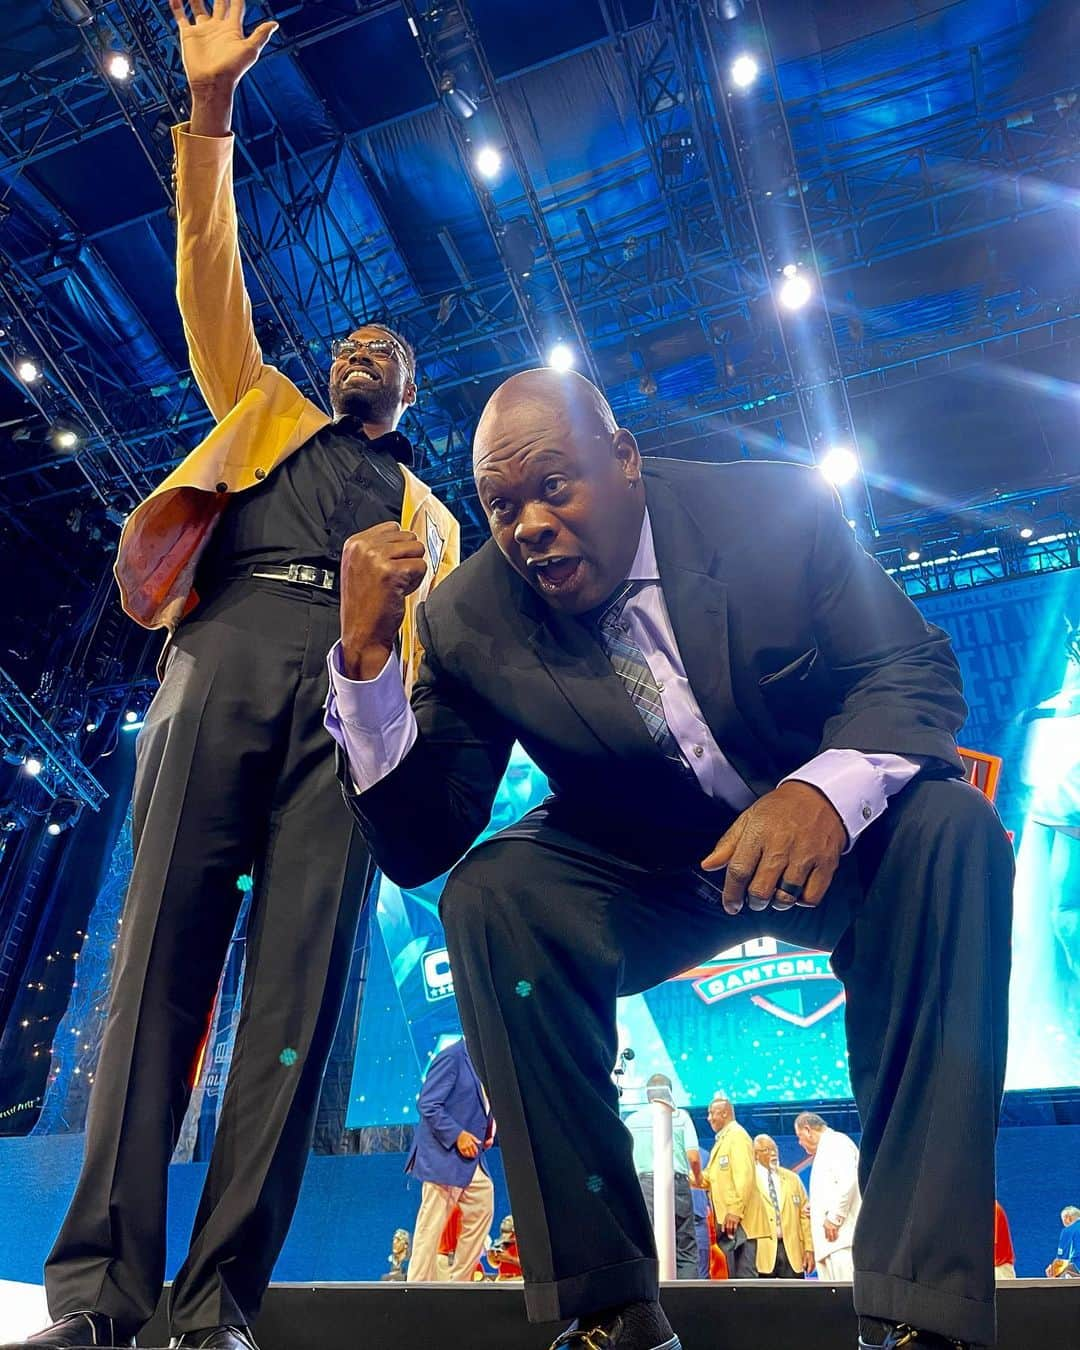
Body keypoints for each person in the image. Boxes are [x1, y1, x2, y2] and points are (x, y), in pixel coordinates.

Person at [328, 367, 1014, 1350]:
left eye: (554, 486)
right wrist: (363, 664)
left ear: (625, 462)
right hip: (648, 867)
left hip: (839, 838)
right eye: (501, 505)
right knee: (491, 897)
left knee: (958, 834)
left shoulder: (771, 509)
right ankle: (609, 1306)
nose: (528, 526)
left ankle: (921, 1318)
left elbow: (912, 669)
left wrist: (820, 791)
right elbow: (421, 840)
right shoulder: (469, 617)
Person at [16, 6, 458, 1350]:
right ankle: (99, 1297)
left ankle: (216, 1312)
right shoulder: (260, 404)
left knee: (298, 999)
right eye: (352, 337)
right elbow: (212, 275)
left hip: (352, 688)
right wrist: (207, 118)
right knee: (155, 962)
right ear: (328, 369)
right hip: (221, 653)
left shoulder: (436, 513)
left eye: (390, 346)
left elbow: (457, 653)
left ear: (410, 389)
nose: (364, 345)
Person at [406, 1038, 495, 1284]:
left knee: (483, 1205)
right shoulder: (452, 1056)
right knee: (432, 1223)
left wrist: (489, 1128)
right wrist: (457, 1135)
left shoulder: (485, 1060)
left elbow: (481, 1101)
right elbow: (428, 1103)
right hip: (443, 1156)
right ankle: (417, 1287)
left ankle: (460, 1283)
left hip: (471, 1157)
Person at [622, 1074, 703, 1280]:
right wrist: (698, 1179)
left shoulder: (631, 1120)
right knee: (685, 1244)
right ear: (670, 1092)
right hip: (677, 1185)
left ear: (647, 1094)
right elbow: (693, 1156)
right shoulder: (680, 1116)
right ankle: (688, 1303)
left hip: (644, 1186)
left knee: (648, 1245)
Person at [702, 1094, 770, 1279]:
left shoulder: (738, 1136)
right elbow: (709, 1177)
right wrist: (686, 1176)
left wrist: (735, 1210)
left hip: (740, 1223)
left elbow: (744, 1176)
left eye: (711, 1113)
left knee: (744, 1277)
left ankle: (751, 1309)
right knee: (735, 1277)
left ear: (724, 1113)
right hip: (729, 1223)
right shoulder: (723, 1141)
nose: (708, 1118)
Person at [796, 1113, 862, 1284]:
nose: (799, 1142)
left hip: (842, 1243)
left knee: (846, 1300)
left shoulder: (837, 1142)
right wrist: (816, 1208)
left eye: (799, 1136)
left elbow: (849, 1180)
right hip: (830, 1246)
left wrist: (835, 1217)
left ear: (808, 1130)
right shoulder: (825, 1149)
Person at [753, 1134, 814, 1279]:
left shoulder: (793, 1179)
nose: (773, 1153)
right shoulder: (750, 1181)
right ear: (755, 1155)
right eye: (767, 1150)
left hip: (792, 1252)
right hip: (762, 1253)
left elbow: (804, 1215)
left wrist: (809, 1248)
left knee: (795, 1299)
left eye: (775, 1149)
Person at [1047, 1205, 1080, 1278]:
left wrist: (1053, 1272)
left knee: (1060, 1276)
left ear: (1068, 1218)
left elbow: (1061, 1260)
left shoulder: (1068, 1230)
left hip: (1078, 1267)